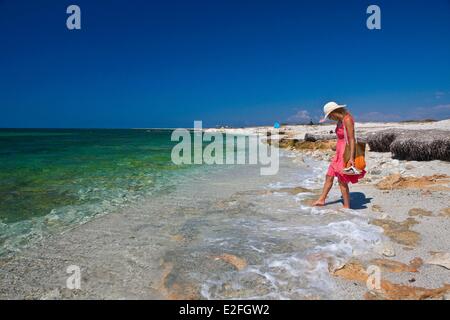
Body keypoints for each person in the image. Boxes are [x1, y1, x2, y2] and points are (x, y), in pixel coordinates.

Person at [313, 102, 366, 209]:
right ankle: (322, 199)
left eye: (330, 115)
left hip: (345, 153)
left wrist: (351, 158)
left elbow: (351, 139)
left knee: (342, 180)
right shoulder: (339, 121)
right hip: (339, 152)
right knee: (329, 175)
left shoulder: (347, 119)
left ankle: (346, 206)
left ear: (334, 112)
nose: (330, 118)